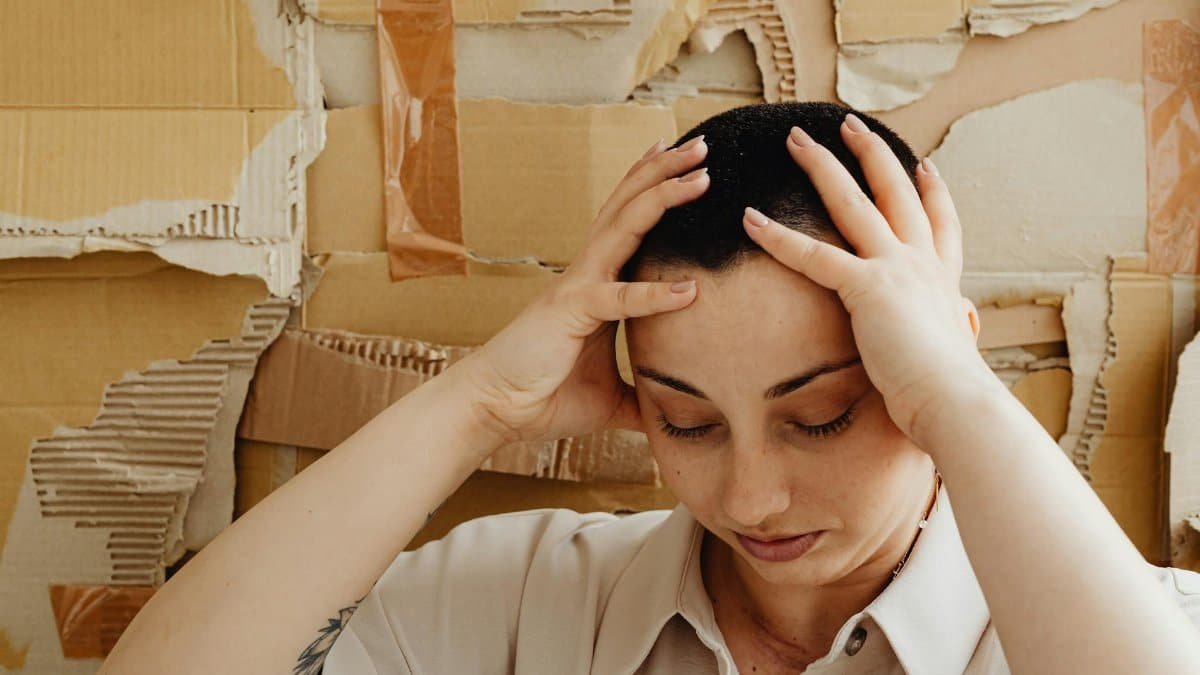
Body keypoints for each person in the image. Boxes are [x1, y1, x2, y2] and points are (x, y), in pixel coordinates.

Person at [102, 103, 1200, 675]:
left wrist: (963, 400)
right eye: (687, 421)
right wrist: (478, 402)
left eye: (819, 417)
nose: (751, 497)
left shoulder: (1136, 622)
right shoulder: (526, 603)